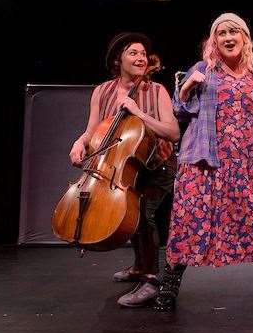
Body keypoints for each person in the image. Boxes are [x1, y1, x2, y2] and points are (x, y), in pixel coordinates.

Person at [154, 12, 253, 311]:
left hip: (251, 161)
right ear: (214, 40)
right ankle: (169, 287)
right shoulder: (203, 70)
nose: (228, 38)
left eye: (234, 32)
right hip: (205, 161)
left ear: (245, 38)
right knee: (189, 222)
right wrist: (188, 87)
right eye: (221, 33)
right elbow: (178, 111)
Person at [68, 32, 180, 307]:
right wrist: (80, 142)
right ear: (118, 59)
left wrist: (139, 113)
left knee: (144, 214)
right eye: (134, 53)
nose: (141, 58)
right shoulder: (102, 91)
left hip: (158, 165)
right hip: (121, 165)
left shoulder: (156, 91)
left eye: (143, 54)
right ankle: (140, 266)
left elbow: (173, 132)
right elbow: (92, 129)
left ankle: (152, 279)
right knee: (129, 215)